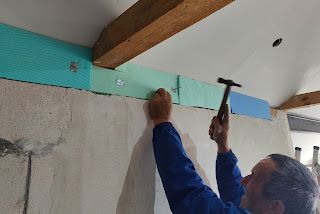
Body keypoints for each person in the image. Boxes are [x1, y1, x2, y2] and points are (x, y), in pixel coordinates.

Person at [149, 88, 319, 214]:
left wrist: (162, 122)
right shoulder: (261, 207)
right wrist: (223, 148)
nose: (243, 181)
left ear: (275, 207)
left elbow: (191, 197)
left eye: (254, 178)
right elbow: (238, 197)